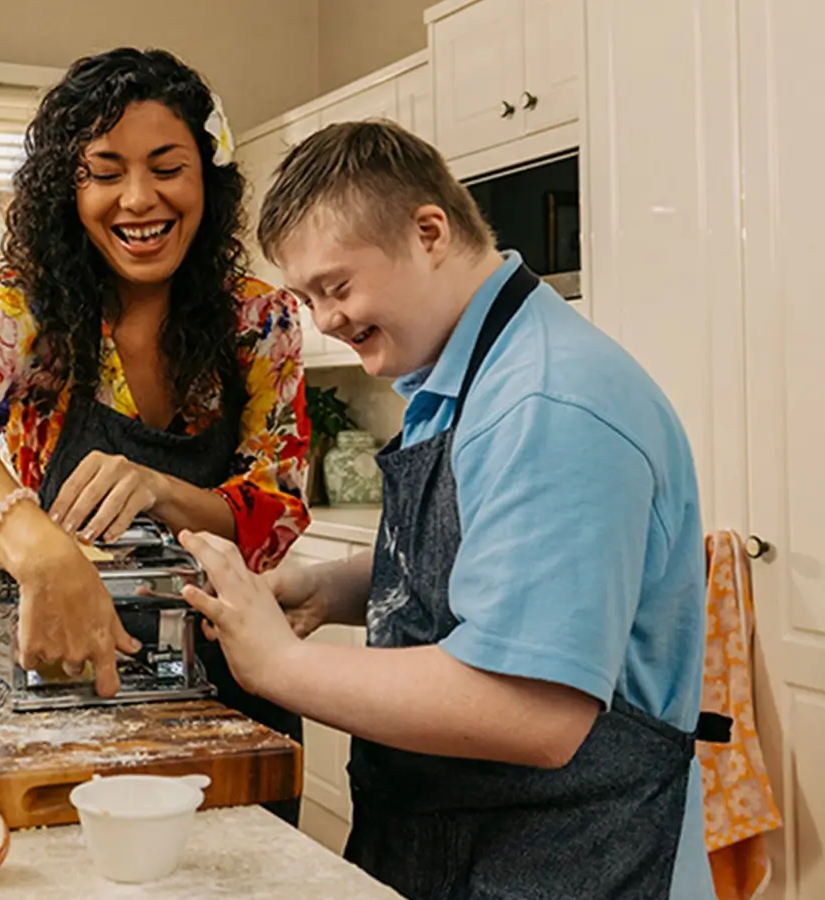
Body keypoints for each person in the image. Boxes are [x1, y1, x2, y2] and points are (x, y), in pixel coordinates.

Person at [176, 120, 722, 898]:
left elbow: (529, 711)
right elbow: (490, 561)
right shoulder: (459, 374)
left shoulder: (547, 400)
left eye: (337, 286)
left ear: (429, 232)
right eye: (306, 298)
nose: (324, 319)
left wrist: (282, 666)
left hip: (574, 858)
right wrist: (331, 587)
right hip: (469, 841)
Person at [0, 48, 310, 825]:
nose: (137, 199)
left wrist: (165, 490)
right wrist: (39, 549)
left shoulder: (260, 320)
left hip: (242, 689)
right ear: (67, 190)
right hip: (67, 683)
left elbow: (274, 518)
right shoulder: (26, 311)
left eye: (166, 167)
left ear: (207, 179)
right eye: (104, 171)